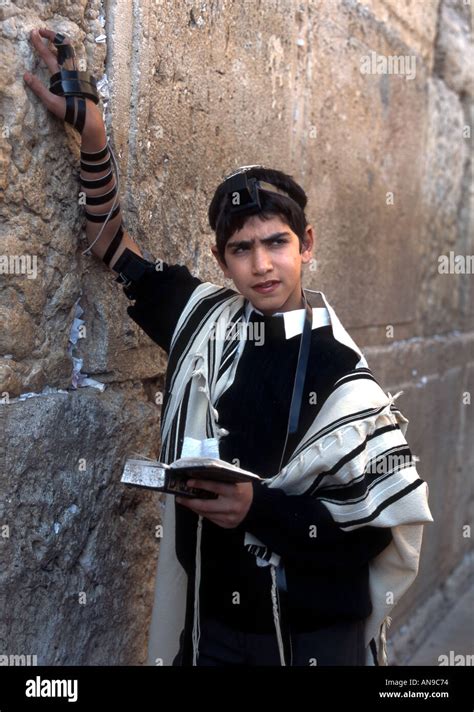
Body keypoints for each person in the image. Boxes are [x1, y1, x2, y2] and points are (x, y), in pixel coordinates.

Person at [23, 29, 433, 667]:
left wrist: (257, 508)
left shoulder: (347, 381)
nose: (262, 265)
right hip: (209, 633)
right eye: (242, 249)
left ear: (307, 243)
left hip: (305, 644)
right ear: (221, 258)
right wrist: (92, 132)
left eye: (276, 243)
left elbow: (372, 539)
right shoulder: (201, 317)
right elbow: (108, 244)